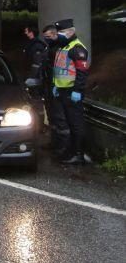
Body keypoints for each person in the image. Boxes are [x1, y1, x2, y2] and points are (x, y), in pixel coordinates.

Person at [49, 18, 91, 164]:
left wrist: (78, 90)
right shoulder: (63, 47)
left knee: (76, 123)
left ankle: (79, 154)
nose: (58, 35)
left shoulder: (77, 48)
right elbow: (59, 70)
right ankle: (70, 152)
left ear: (70, 32)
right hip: (62, 90)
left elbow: (82, 72)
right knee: (66, 123)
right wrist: (56, 85)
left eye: (61, 32)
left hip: (73, 92)